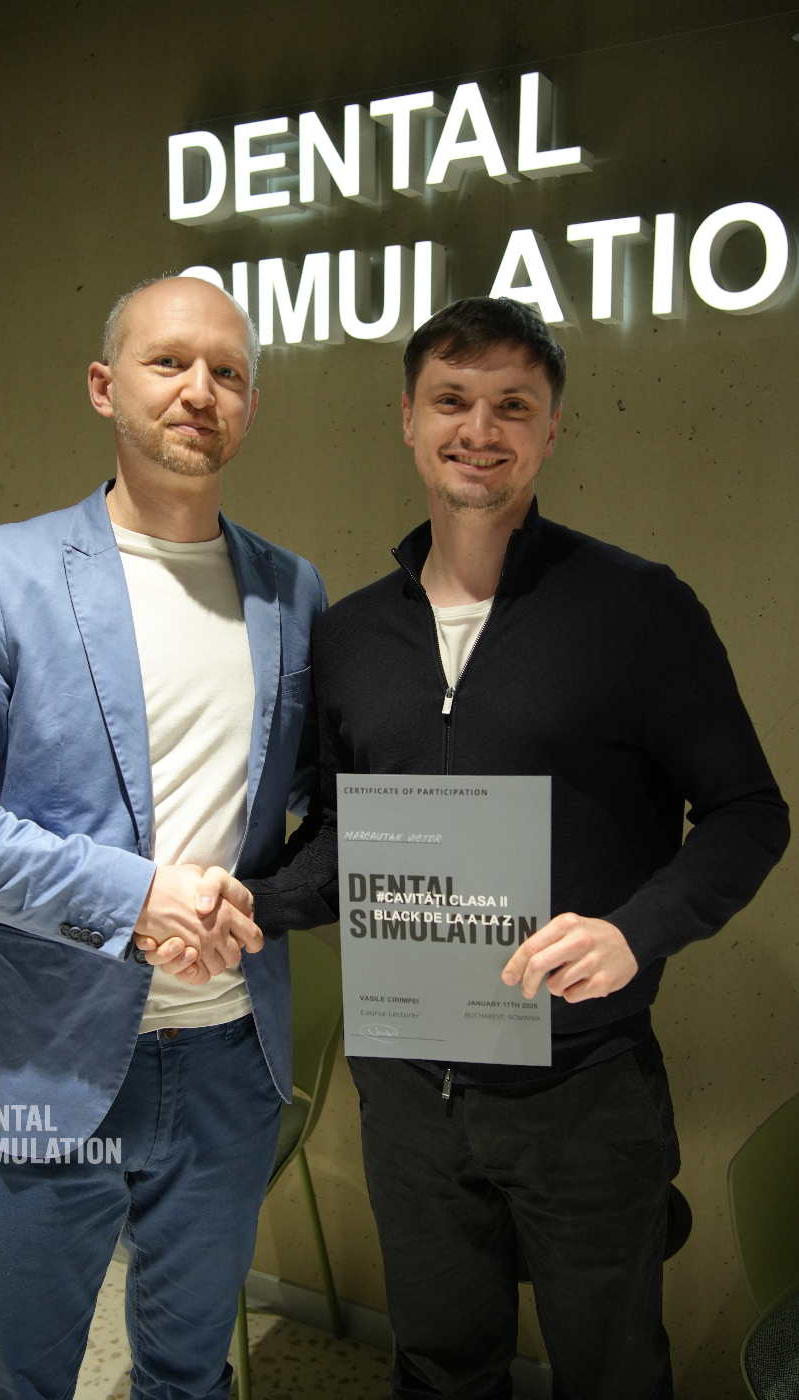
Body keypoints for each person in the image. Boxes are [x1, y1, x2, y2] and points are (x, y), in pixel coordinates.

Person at [223, 296, 790, 1400]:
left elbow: (747, 812)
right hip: (405, 1086)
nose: (479, 429)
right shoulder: (352, 636)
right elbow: (342, 837)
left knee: (612, 1372)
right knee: (439, 1366)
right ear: (407, 418)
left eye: (513, 405)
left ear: (551, 428)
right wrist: (250, 903)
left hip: (582, 1083)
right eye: (452, 400)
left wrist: (634, 932)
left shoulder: (638, 608)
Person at [0, 274, 325, 1400]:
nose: (199, 390)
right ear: (102, 385)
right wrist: (133, 895)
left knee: (191, 1372)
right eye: (169, 361)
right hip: (38, 1058)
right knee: (19, 1373)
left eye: (227, 371)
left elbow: (315, 800)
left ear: (251, 403)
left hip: (229, 1060)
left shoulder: (291, 591)